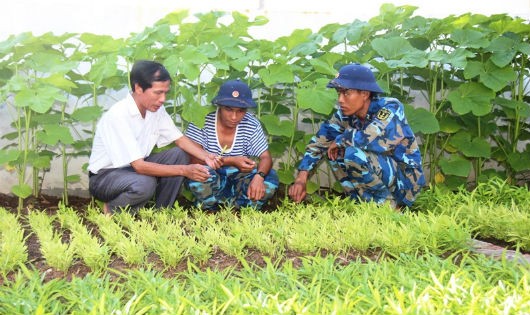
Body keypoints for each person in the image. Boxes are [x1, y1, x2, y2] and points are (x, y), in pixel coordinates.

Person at [87, 60, 222, 214]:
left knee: (179, 154)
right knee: (145, 183)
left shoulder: (156, 109)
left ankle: (162, 213)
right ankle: (112, 210)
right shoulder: (118, 115)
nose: (163, 99)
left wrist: (207, 156)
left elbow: (178, 139)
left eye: (165, 92)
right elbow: (139, 166)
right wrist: (185, 170)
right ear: (138, 88)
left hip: (133, 170)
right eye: (158, 92)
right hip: (105, 177)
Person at [289, 63, 425, 209]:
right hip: (383, 175)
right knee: (335, 153)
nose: (340, 99)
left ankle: (391, 208)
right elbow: (319, 142)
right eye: (339, 93)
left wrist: (340, 139)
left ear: (365, 94)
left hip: (405, 182)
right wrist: (301, 178)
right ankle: (365, 206)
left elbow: (370, 138)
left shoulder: (389, 107)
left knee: (353, 153)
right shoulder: (344, 115)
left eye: (346, 93)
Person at [185, 79, 279, 211]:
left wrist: (259, 177)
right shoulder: (202, 120)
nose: (234, 116)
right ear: (219, 105)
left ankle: (242, 209)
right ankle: (209, 208)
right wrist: (231, 161)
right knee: (199, 173)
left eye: (240, 111)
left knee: (270, 178)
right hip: (212, 176)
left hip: (240, 177)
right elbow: (194, 159)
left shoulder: (251, 124)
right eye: (229, 109)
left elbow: (265, 157)